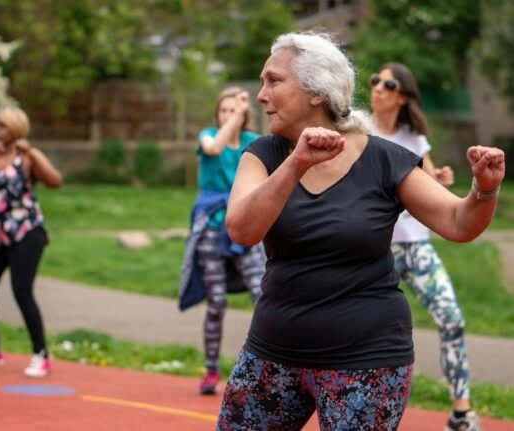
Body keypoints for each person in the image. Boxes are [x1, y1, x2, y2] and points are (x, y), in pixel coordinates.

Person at [218, 31, 505, 430]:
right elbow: (241, 230)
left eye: (274, 81)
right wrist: (295, 164)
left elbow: (458, 223)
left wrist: (484, 189)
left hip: (367, 362)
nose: (262, 95)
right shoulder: (264, 155)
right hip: (273, 353)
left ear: (317, 91)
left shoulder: (386, 159)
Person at [370, 62, 482, 431]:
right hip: (374, 251)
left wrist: (439, 180)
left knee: (453, 320)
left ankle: (461, 412)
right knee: (363, 333)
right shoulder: (358, 132)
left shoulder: (415, 139)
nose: (377, 88)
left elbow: (430, 189)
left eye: (386, 84)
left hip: (416, 247)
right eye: (374, 81)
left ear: (401, 96)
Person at [178, 87, 265, 395]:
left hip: (244, 227)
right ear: (217, 114)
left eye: (234, 110)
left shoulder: (252, 142)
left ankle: (262, 370)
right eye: (224, 111)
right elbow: (214, 148)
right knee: (216, 304)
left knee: (262, 296)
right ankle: (211, 369)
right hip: (212, 230)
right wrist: (239, 114)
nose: (229, 115)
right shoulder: (207, 136)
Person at [0, 106, 62, 378]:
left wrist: (33, 156)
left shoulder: (28, 156)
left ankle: (41, 354)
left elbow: (55, 181)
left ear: (16, 127)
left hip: (25, 232)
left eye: (2, 125)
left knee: (22, 290)